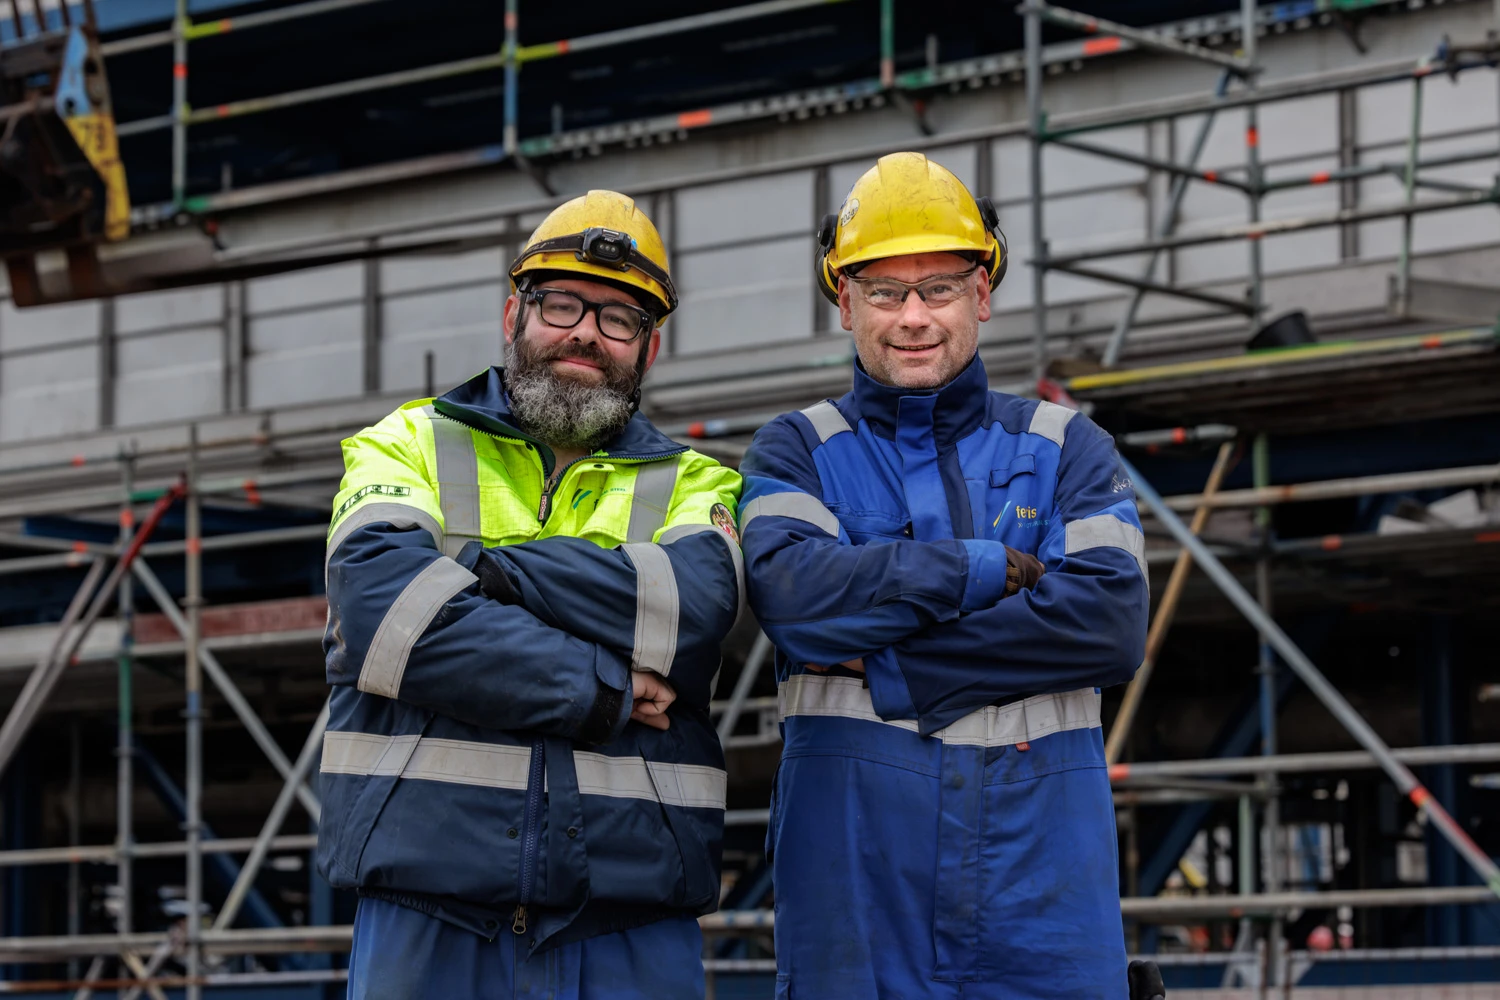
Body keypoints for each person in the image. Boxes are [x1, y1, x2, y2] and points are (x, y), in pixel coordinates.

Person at [739, 152, 1149, 998]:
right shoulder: (796, 451)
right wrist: (987, 569)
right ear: (844, 302)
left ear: (984, 296)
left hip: (1044, 892)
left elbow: (1108, 623)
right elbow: (798, 603)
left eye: (941, 288)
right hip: (856, 890)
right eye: (886, 292)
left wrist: (891, 660)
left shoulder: (1066, 445)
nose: (914, 317)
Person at [318, 190, 744, 999]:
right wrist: (598, 690)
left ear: (648, 350)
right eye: (562, 304)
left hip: (630, 913)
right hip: (426, 909)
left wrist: (480, 569)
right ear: (513, 313)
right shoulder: (404, 442)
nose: (586, 331)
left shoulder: (700, 483)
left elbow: (689, 616)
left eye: (621, 317)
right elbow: (384, 616)